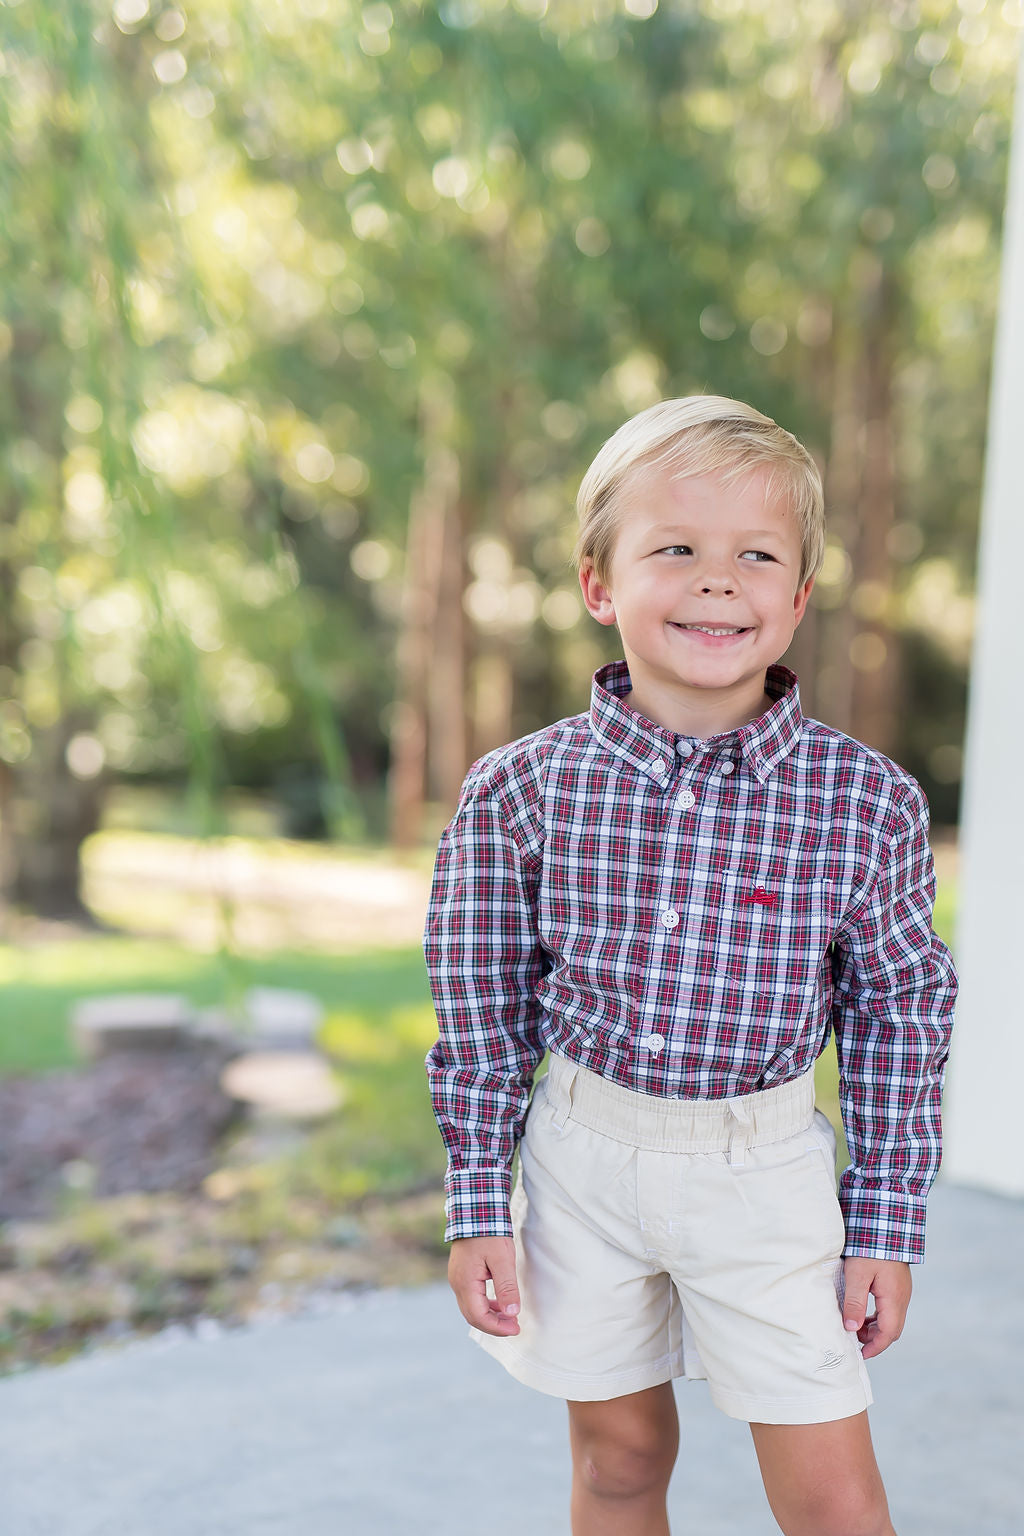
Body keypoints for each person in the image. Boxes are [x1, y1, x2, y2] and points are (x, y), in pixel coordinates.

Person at [424, 395, 958, 1536]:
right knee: (618, 1461)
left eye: (754, 556)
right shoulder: (519, 792)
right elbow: (477, 1010)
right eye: (675, 548)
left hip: (763, 1174)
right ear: (598, 584)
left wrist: (884, 1225)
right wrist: (479, 1200)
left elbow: (898, 1020)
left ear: (799, 597)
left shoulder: (864, 804)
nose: (718, 581)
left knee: (831, 1496)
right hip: (581, 1161)